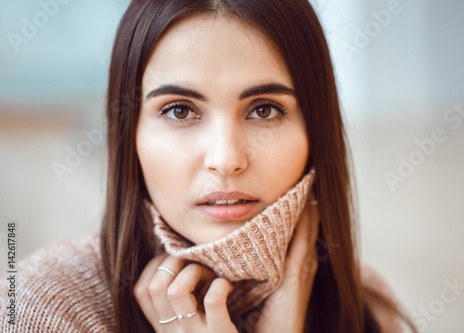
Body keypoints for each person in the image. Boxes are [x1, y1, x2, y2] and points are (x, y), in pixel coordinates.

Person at [0, 0, 417, 332]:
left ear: (316, 131)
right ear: (130, 135)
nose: (226, 160)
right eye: (180, 111)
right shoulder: (33, 306)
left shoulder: (367, 306)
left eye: (266, 110)